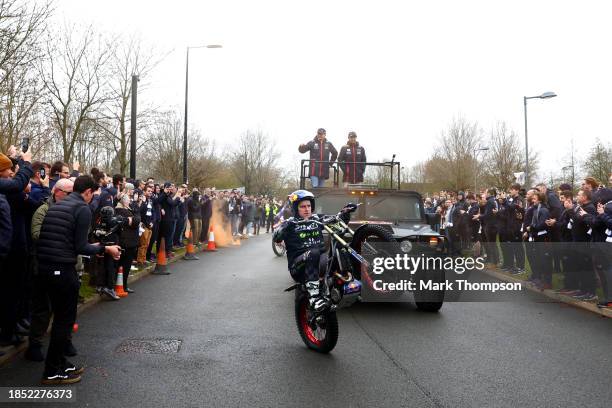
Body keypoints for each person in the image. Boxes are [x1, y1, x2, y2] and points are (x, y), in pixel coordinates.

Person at [36, 175, 121, 385]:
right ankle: (52, 371)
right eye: (94, 194)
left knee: (59, 320)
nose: (94, 198)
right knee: (64, 322)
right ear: (88, 192)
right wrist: (106, 248)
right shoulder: (82, 208)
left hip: (44, 268)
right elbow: (81, 246)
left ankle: (61, 363)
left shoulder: (59, 204)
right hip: (62, 269)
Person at [26, 178, 74, 362]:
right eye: (68, 193)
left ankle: (65, 341)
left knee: (66, 310)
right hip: (44, 265)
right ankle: (35, 344)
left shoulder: (73, 209)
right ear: (57, 192)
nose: (71, 197)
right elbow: (36, 234)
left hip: (67, 265)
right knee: (42, 309)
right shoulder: (43, 210)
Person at [273, 191, 336, 312]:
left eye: (309, 206)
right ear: (296, 208)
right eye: (302, 206)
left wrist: (345, 213)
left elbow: (335, 219)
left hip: (318, 261)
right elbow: (276, 238)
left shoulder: (316, 218)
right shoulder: (291, 223)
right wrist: (284, 227)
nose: (307, 209)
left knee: (335, 253)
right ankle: (313, 297)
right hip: (298, 266)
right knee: (313, 253)